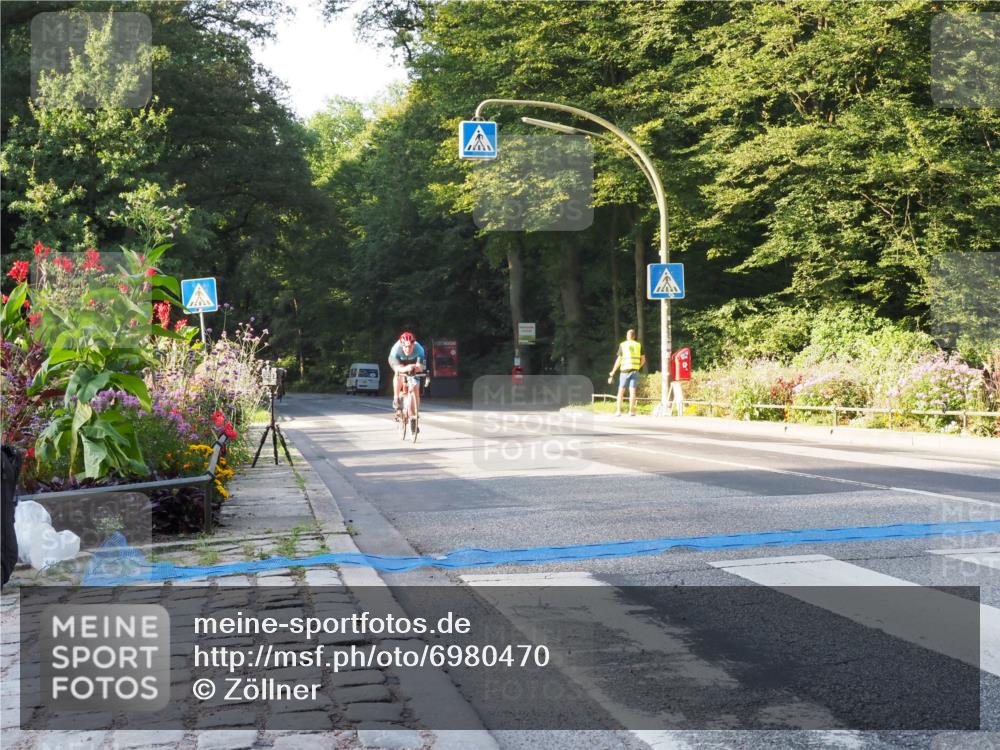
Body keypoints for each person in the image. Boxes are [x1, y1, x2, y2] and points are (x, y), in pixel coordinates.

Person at [388, 331, 427, 418]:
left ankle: (414, 414)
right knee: (398, 373)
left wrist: (415, 368)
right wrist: (406, 368)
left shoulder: (419, 349)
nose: (408, 349)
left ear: (414, 345)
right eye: (405, 347)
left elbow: (420, 367)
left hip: (413, 362)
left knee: (416, 387)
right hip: (399, 361)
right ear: (402, 345)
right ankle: (396, 398)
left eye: (410, 347)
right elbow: (397, 368)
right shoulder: (396, 349)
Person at [608, 328, 646, 416]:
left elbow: (619, 359)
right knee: (632, 391)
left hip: (624, 371)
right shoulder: (638, 345)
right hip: (635, 371)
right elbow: (643, 360)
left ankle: (618, 411)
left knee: (621, 391)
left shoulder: (623, 345)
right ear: (634, 336)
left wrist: (613, 371)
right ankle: (631, 411)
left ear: (627, 336)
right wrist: (637, 367)